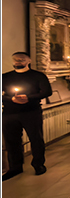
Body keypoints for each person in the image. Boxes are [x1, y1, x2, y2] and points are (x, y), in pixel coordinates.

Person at [2, 52, 52, 180]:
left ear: (29, 61)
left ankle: (38, 165)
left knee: (36, 139)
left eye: (21, 59)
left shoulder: (38, 76)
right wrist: (11, 99)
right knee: (11, 141)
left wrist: (28, 97)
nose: (18, 61)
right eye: (16, 59)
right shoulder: (5, 77)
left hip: (31, 112)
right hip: (9, 113)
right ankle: (15, 167)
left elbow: (47, 92)